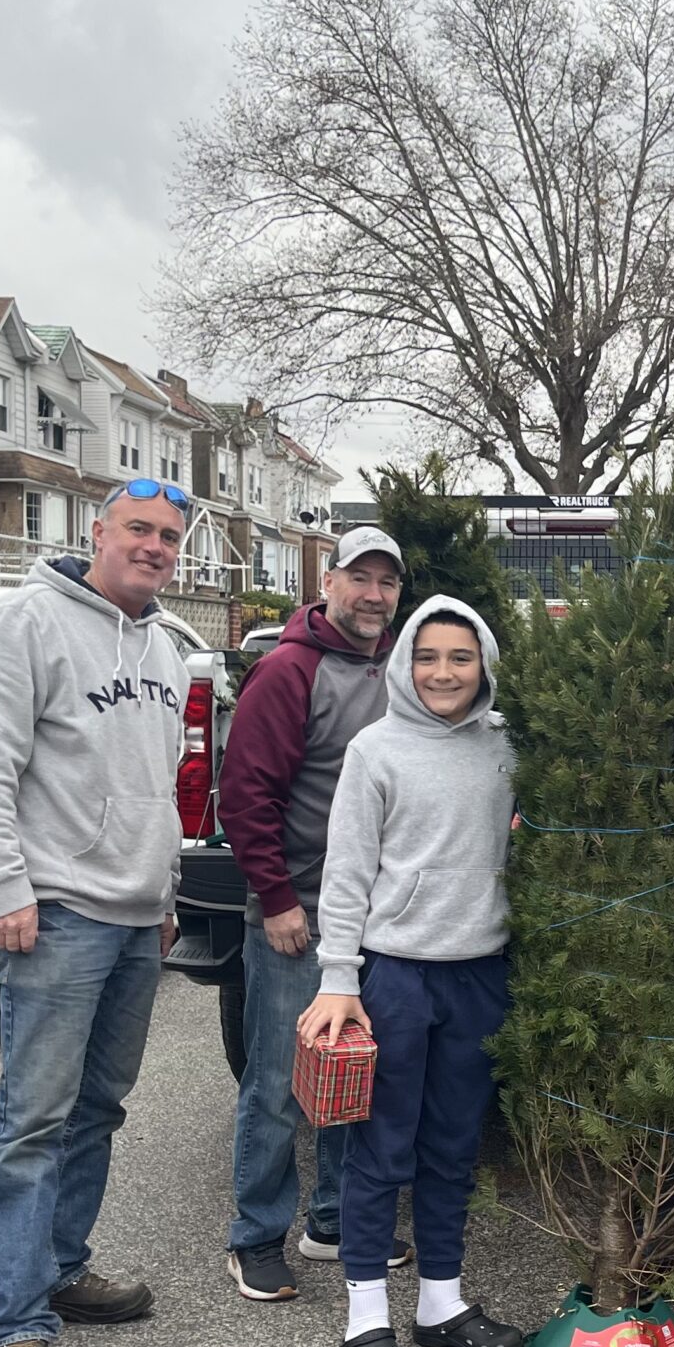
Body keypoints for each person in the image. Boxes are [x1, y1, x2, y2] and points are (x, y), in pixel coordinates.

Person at [0, 477, 192, 1347]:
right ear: (98, 531)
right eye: (138, 528)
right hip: (55, 914)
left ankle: (62, 1269)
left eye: (168, 536)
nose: (154, 546)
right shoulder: (25, 624)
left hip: (136, 919)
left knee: (98, 1109)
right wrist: (2, 887)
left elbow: (159, 787)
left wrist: (164, 894)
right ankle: (15, 1326)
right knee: (32, 1123)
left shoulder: (165, 650)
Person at [297, 597, 527, 1347]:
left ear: (484, 664)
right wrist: (339, 976)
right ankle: (366, 1317)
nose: (443, 672)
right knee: (381, 1148)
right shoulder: (376, 750)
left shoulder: (506, 747)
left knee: (453, 1146)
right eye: (427, 656)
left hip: (479, 974)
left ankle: (440, 1304)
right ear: (404, 664)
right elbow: (347, 870)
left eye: (461, 657)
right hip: (394, 976)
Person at [216, 527, 415, 1302]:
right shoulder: (287, 671)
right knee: (276, 1081)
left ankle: (332, 1222)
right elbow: (245, 796)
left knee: (351, 1073)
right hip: (296, 913)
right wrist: (275, 899)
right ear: (328, 582)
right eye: (359, 578)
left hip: (372, 914)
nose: (373, 594)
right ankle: (255, 1237)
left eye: (387, 582)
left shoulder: (402, 671)